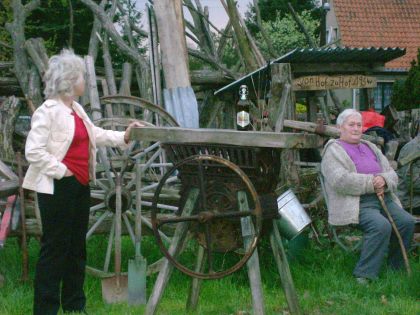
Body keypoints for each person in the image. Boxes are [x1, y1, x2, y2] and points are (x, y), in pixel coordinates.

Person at [23, 49, 143, 315]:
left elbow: (95, 134)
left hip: (80, 186)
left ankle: (75, 306)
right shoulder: (48, 111)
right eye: (81, 77)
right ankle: (45, 309)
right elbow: (33, 150)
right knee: (55, 249)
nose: (85, 82)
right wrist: (61, 170)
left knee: (76, 248)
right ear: (69, 81)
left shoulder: (75, 109)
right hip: (58, 187)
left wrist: (124, 136)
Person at [321, 109, 415, 284]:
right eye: (351, 125)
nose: (356, 128)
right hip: (356, 203)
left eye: (359, 125)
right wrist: (373, 182)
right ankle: (364, 275)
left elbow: (392, 174)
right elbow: (340, 180)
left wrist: (383, 180)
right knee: (381, 225)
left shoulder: (370, 147)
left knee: (406, 222)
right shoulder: (333, 150)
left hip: (384, 198)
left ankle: (396, 268)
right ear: (340, 127)